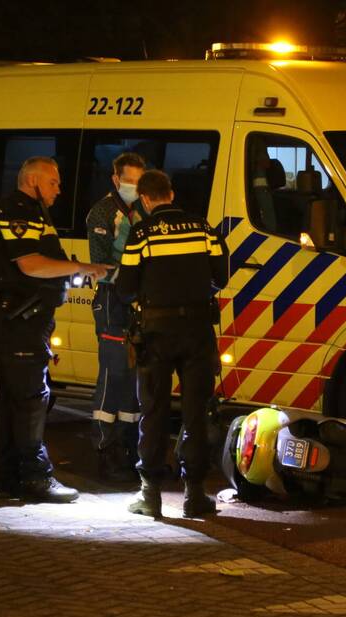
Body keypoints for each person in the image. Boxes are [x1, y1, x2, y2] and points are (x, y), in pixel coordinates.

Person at [0, 156, 110, 502]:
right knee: (32, 400)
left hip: (17, 317)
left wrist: (71, 274)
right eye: (53, 182)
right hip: (21, 320)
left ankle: (9, 476)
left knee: (12, 400)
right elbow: (32, 264)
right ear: (33, 179)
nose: (59, 189)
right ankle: (36, 478)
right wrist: (82, 266)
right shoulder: (20, 211)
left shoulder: (26, 209)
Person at [115, 170, 229, 518]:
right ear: (171, 194)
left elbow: (125, 288)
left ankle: (150, 495)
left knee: (154, 410)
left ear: (146, 200)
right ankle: (195, 495)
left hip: (156, 333)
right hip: (197, 331)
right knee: (196, 413)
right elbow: (221, 276)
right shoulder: (202, 227)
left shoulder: (141, 233)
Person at [85, 152, 146, 483]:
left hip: (136, 303)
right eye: (129, 181)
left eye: (139, 182)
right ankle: (104, 451)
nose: (134, 187)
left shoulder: (143, 212)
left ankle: (129, 448)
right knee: (112, 377)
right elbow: (102, 268)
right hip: (111, 302)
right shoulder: (103, 212)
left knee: (133, 381)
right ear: (115, 180)